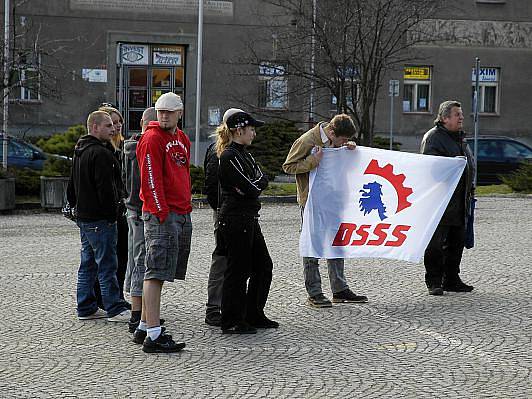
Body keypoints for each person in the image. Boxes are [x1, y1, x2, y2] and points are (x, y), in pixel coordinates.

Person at [283, 114, 368, 308]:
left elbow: (343, 165)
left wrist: (349, 151)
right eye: (343, 139)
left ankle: (339, 289)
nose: (344, 143)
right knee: (311, 245)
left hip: (334, 200)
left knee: (337, 242)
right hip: (312, 201)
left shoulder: (337, 141)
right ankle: (314, 292)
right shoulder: (307, 140)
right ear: (331, 132)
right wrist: (313, 160)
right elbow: (288, 166)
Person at [136, 92, 192, 353]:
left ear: (180, 112)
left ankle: (145, 326)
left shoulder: (181, 138)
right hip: (163, 214)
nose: (164, 116)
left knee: (163, 270)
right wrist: (161, 211)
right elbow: (150, 179)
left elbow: (182, 172)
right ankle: (154, 335)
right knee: (155, 271)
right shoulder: (152, 138)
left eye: (169, 111)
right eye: (160, 112)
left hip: (179, 212)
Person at [216, 108, 278, 334]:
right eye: (251, 129)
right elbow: (251, 187)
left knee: (263, 266)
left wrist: (255, 184)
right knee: (238, 270)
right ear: (238, 130)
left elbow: (262, 179)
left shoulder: (246, 155)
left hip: (249, 217)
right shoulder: (229, 156)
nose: (254, 134)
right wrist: (254, 184)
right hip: (235, 219)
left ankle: (253, 313)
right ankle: (231, 319)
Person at [66, 110, 130, 322]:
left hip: (85, 217)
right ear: (95, 127)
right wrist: (112, 214)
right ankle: (114, 307)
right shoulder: (101, 153)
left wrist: (75, 206)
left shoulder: (80, 149)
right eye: (108, 126)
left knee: (89, 263)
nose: (113, 129)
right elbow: (106, 189)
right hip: (100, 218)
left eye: (113, 125)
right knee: (107, 264)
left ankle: (85, 306)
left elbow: (72, 185)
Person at [420, 100, 475, 296]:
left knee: (457, 242)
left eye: (461, 114)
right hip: (440, 202)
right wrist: (452, 164)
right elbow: (430, 169)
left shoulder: (460, 138)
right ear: (445, 118)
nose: (461, 118)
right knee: (435, 244)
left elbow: (468, 166)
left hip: (460, 201)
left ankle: (452, 279)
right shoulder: (433, 138)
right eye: (457, 114)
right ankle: (434, 281)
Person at [122, 106, 166, 336]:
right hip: (142, 210)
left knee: (135, 258)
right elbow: (147, 182)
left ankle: (141, 312)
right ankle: (139, 315)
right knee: (144, 262)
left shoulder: (126, 147)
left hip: (131, 208)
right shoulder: (146, 146)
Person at [95, 105, 129, 308]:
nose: (116, 127)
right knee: (104, 257)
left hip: (121, 209)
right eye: (112, 123)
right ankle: (104, 298)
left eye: (118, 122)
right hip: (108, 211)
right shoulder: (103, 149)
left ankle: (115, 295)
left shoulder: (124, 146)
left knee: (121, 256)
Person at [203, 137, 227, 327]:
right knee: (221, 259)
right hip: (224, 212)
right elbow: (211, 185)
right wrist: (220, 209)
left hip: (229, 211)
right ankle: (213, 307)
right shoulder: (218, 151)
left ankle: (226, 304)